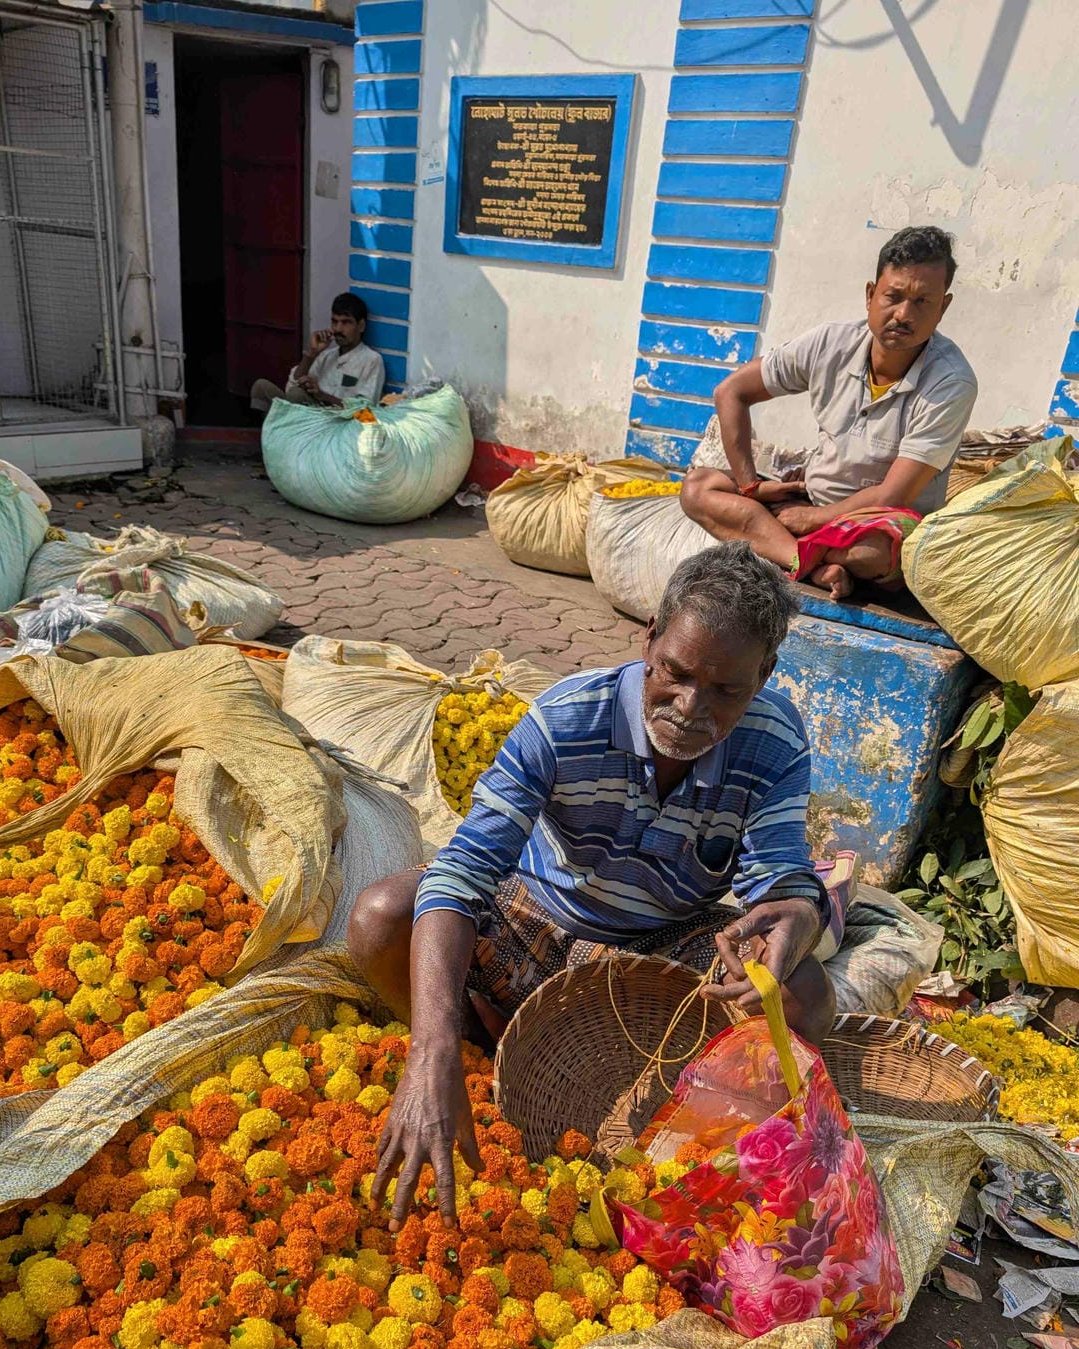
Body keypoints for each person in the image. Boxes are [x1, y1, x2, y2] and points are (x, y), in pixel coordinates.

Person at [348, 543, 835, 1229]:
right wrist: (431, 1048)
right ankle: (466, 1062)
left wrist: (796, 916)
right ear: (650, 642)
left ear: (765, 676)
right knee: (380, 917)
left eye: (726, 691)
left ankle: (672, 1126)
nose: (690, 709)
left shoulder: (774, 739)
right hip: (535, 922)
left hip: (663, 942)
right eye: (675, 674)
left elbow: (779, 878)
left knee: (804, 993)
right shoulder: (565, 721)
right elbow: (462, 874)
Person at [680, 225, 977, 600]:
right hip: (807, 501)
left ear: (943, 308)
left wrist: (814, 519)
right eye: (893, 296)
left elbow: (894, 495)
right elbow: (731, 392)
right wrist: (751, 487)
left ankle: (783, 547)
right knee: (698, 487)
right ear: (870, 295)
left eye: (922, 302)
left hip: (875, 522)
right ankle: (810, 564)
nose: (903, 314)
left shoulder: (950, 382)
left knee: (873, 550)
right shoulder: (830, 343)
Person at [250, 291, 385, 413]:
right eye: (334, 322)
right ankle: (265, 435)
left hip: (337, 422)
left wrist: (322, 396)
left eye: (346, 323)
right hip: (309, 413)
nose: (338, 329)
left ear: (361, 326)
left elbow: (364, 410)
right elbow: (290, 387)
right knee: (261, 387)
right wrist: (311, 354)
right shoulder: (327, 355)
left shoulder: (372, 360)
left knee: (296, 396)